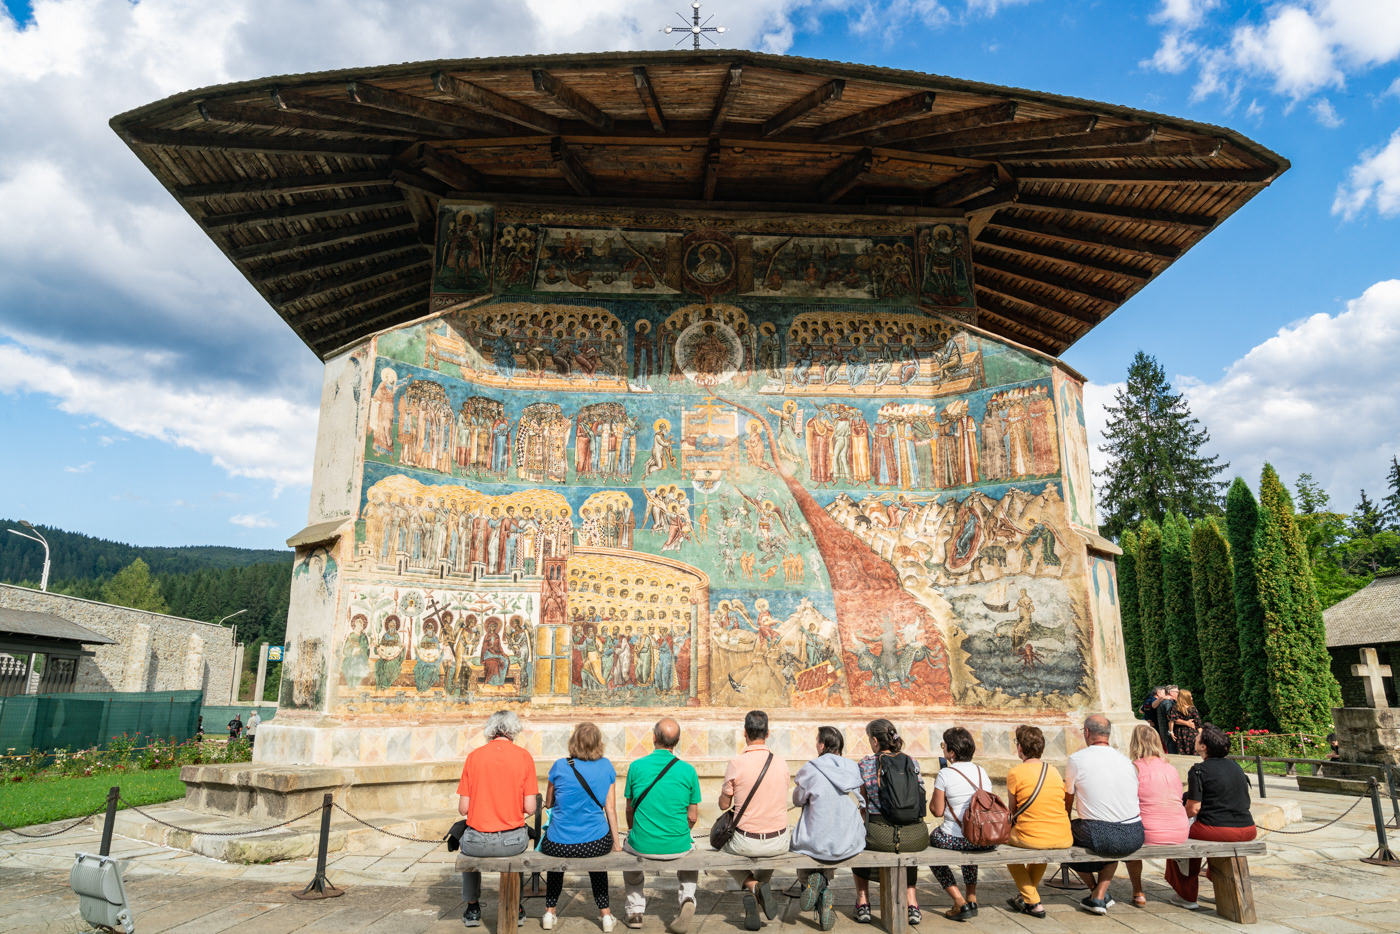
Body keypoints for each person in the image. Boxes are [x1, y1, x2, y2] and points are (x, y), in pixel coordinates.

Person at [457, 710, 540, 928]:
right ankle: (516, 907)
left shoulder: (474, 757)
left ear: (491, 730)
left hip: (477, 842)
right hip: (511, 843)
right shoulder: (524, 756)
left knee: (465, 845)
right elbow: (530, 808)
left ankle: (472, 908)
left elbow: (463, 809)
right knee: (519, 848)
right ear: (513, 730)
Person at [622, 718, 703, 933]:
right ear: (677, 741)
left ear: (654, 737)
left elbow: (629, 809)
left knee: (628, 851)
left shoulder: (636, 766)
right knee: (691, 849)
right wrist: (681, 833)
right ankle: (687, 897)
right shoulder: (688, 770)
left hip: (642, 844)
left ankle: (635, 911)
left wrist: (632, 830)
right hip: (678, 845)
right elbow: (692, 816)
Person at [1164, 724, 1257, 910]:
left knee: (1179, 837)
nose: (1195, 738)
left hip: (1219, 830)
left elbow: (1193, 809)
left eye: (1198, 738)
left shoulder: (1199, 770)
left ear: (1203, 746)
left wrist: (1176, 820)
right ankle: (1223, 886)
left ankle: (1186, 895)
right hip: (1248, 828)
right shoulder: (1236, 766)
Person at [539, 722, 622, 932]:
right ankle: (606, 916)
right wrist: (616, 843)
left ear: (573, 742)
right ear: (598, 743)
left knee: (556, 861)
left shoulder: (559, 765)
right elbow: (610, 809)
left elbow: (549, 803)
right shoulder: (606, 766)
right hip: (596, 843)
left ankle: (549, 912)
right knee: (597, 862)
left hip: (559, 844)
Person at [1064, 714, 1144, 915]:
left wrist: (1064, 822)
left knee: (1060, 837)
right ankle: (1099, 895)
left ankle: (1095, 891)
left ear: (1087, 732)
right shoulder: (1126, 761)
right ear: (1108, 734)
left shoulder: (1077, 759)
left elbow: (1067, 801)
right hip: (1134, 833)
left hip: (1102, 833)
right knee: (1111, 838)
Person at [718, 710, 790, 931]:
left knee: (720, 850)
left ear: (744, 733)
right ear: (767, 733)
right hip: (779, 841)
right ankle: (760, 891)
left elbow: (723, 805)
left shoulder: (737, 763)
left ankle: (754, 886)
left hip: (746, 841)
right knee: (767, 852)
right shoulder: (781, 763)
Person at [852, 719, 927, 926]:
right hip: (915, 836)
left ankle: (863, 902)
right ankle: (912, 904)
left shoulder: (865, 764)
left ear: (875, 741)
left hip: (880, 836)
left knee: (856, 840)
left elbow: (864, 806)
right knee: (907, 846)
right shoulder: (912, 761)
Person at [791, 726, 864, 932]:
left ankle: (813, 885)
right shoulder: (852, 767)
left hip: (818, 840)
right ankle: (823, 891)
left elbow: (797, 800)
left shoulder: (811, 768)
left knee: (809, 842)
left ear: (822, 745)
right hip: (849, 840)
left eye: (817, 741)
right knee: (831, 838)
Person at [1004, 725, 1073, 919]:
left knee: (1006, 852)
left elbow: (1012, 811)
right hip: (1062, 836)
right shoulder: (1053, 771)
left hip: (1032, 837)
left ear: (1020, 747)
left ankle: (1033, 901)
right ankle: (1024, 897)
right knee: (1039, 849)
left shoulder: (1015, 773)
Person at [929, 726, 997, 922]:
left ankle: (959, 901)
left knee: (931, 848)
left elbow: (937, 811)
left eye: (944, 746)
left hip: (956, 838)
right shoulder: (981, 771)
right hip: (984, 839)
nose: (943, 749)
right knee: (971, 837)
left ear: (952, 752)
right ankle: (971, 897)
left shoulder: (945, 774)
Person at [1123, 725, 1189, 906]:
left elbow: (1127, 801)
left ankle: (1138, 891)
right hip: (1180, 831)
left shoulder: (1135, 768)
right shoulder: (1171, 768)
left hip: (1149, 832)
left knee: (1128, 835)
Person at [1171, 690, 1201, 758]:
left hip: (1180, 733)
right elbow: (1198, 724)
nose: (1192, 698)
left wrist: (1171, 731)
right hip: (1192, 733)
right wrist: (1201, 735)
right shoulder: (1193, 709)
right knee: (1195, 754)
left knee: (1182, 755)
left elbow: (1172, 720)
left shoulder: (1174, 708)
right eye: (1190, 697)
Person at [1155, 686, 1179, 754]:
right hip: (1170, 734)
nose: (1178, 694)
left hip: (1166, 733)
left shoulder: (1166, 702)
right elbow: (1171, 717)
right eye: (1177, 692)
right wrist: (1186, 723)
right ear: (1171, 693)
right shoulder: (1168, 703)